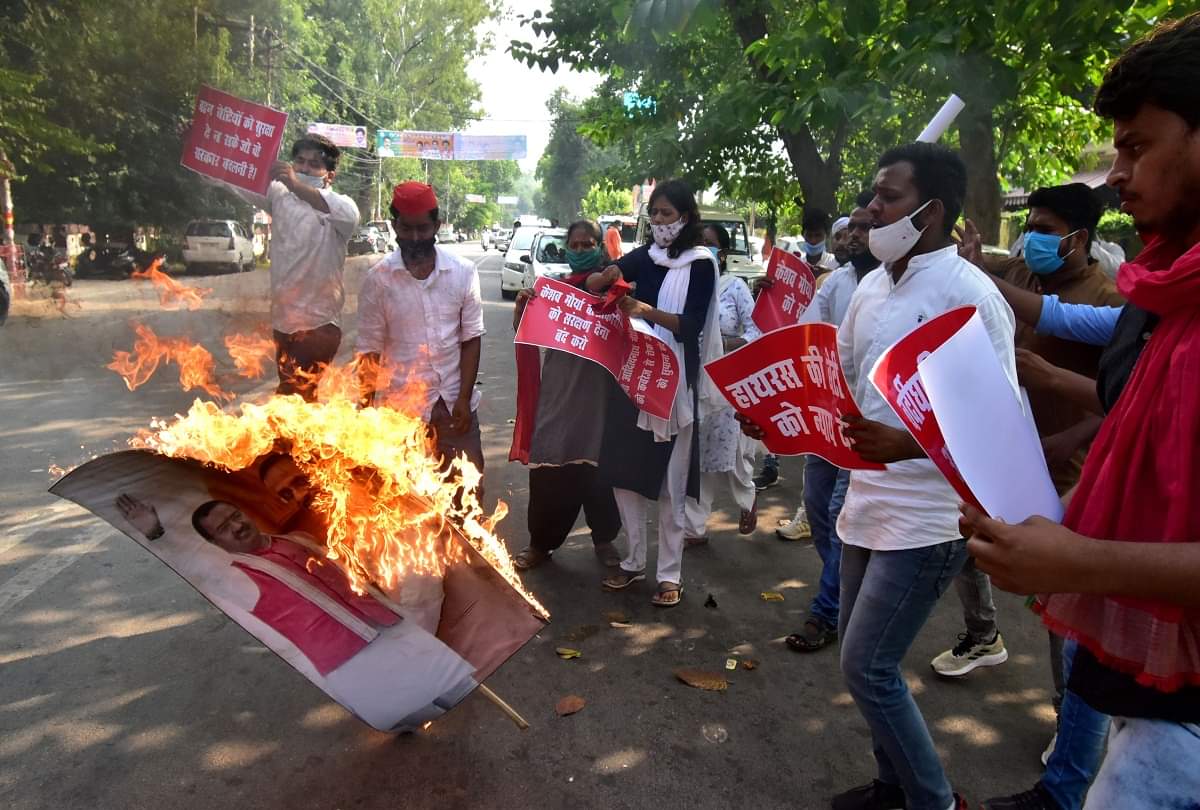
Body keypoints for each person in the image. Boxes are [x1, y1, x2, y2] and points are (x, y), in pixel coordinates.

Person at [965, 14, 1200, 809]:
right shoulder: (1169, 293)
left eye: (1136, 146)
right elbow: (1139, 427)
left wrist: (1076, 560)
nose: (1119, 174)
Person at [831, 142, 1016, 810]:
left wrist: (905, 444)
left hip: (931, 516)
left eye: (888, 197)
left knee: (868, 664)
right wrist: (788, 418)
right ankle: (892, 785)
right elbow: (847, 389)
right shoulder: (872, 286)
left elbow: (1001, 429)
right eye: (874, 195)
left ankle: (933, 801)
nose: (872, 209)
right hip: (866, 502)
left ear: (931, 211)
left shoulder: (970, 296)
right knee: (862, 665)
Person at [116, 493, 476, 732]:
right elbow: (196, 570)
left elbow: (349, 575)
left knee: (456, 685)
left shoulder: (296, 538)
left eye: (235, 516)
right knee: (403, 715)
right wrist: (158, 534)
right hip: (348, 660)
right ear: (215, 544)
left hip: (386, 626)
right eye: (223, 529)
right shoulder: (236, 578)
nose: (237, 526)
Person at [589, 179, 719, 608]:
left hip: (675, 383)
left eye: (667, 213)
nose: (660, 221)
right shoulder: (645, 256)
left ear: (686, 216)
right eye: (655, 214)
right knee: (623, 476)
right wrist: (602, 276)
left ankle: (670, 574)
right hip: (633, 378)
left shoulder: (701, 264)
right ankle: (633, 561)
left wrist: (647, 312)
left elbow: (693, 324)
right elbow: (599, 281)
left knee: (671, 483)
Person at [775, 194, 881, 651]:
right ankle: (843, 588)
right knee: (818, 510)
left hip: (869, 427)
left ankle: (827, 611)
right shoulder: (836, 283)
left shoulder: (889, 286)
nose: (853, 235)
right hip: (827, 419)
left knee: (839, 512)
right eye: (850, 227)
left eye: (863, 227)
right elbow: (805, 338)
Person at [510, 220, 623, 572]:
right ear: (566, 249)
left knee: (599, 471)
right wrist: (521, 307)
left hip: (599, 397)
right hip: (558, 396)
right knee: (549, 469)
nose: (580, 250)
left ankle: (604, 540)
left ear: (599, 247)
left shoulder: (615, 289)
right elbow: (525, 333)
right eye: (574, 245)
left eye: (587, 243)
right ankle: (540, 544)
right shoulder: (555, 290)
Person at [356, 182, 486, 486]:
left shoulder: (463, 272)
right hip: (402, 414)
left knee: (467, 497)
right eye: (407, 229)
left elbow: (471, 339)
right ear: (394, 225)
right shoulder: (378, 281)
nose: (415, 238)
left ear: (437, 226)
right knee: (409, 502)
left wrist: (464, 399)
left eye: (423, 229)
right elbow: (369, 352)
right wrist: (363, 414)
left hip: (456, 409)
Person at [247, 134, 359, 401]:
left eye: (314, 164)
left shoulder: (341, 208)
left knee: (297, 395)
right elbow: (234, 179)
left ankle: (299, 441)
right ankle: (303, 442)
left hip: (319, 323)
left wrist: (294, 183)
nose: (305, 168)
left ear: (329, 175)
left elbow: (349, 216)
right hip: (283, 322)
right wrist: (198, 147)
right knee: (295, 398)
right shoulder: (279, 195)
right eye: (299, 161)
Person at [682, 223, 761, 545]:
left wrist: (726, 344)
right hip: (693, 380)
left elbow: (757, 330)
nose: (702, 248)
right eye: (697, 242)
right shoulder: (684, 285)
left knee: (733, 453)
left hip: (728, 383)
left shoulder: (735, 287)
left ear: (723, 253)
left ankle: (747, 499)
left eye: (709, 243)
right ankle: (694, 529)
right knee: (695, 456)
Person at [797, 207, 839, 273]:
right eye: (809, 235)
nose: (813, 241)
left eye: (818, 235)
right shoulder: (797, 264)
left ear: (827, 235)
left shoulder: (835, 264)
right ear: (803, 235)